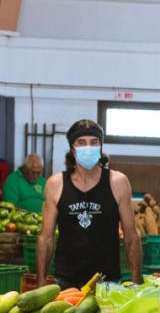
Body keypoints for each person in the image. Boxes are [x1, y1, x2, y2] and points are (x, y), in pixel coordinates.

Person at [38, 120, 142, 288]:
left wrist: (137, 282)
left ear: (101, 147)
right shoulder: (55, 184)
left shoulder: (118, 182)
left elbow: (131, 236)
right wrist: (41, 282)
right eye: (81, 142)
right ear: (72, 148)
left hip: (107, 281)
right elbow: (46, 238)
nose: (88, 147)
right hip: (66, 281)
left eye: (94, 142)